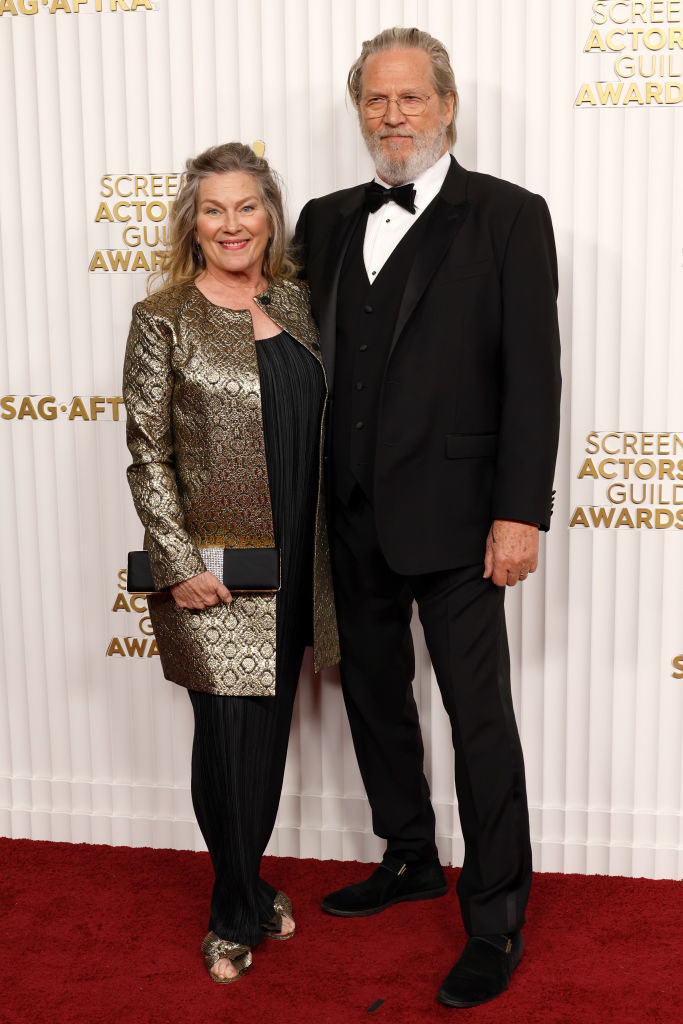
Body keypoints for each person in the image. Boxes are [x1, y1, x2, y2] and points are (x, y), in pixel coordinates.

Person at [294, 27, 561, 1009]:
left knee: (477, 720)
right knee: (372, 696)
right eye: (375, 100)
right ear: (358, 110)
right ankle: (407, 853)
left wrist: (516, 512)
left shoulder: (507, 217)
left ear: (446, 107)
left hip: (460, 522)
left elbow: (531, 380)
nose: (392, 116)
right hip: (346, 511)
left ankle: (493, 919)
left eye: (409, 98)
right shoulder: (322, 220)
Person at [123, 142, 339, 984]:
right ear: (193, 222)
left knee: (268, 737)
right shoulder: (163, 316)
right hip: (211, 577)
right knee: (226, 742)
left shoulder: (300, 302)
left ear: (269, 216)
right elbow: (149, 454)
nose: (231, 224)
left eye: (246, 207)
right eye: (213, 209)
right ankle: (231, 911)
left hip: (296, 569)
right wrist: (176, 562)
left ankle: (247, 880)